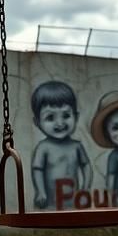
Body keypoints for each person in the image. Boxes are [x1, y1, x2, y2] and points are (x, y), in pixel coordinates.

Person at [30, 80, 92, 209]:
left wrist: (85, 188)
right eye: (51, 117)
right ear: (37, 122)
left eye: (66, 115)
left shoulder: (76, 146)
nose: (60, 123)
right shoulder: (43, 147)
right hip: (51, 202)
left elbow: (86, 166)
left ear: (76, 116)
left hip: (74, 201)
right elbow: (37, 170)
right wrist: (40, 192)